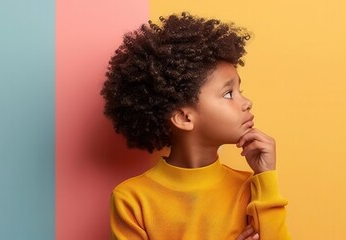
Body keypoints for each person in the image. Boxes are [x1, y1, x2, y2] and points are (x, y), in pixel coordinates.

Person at [100, 11, 291, 240]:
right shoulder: (131, 199)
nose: (247, 103)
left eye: (241, 91)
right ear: (184, 117)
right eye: (229, 94)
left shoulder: (251, 189)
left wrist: (266, 176)